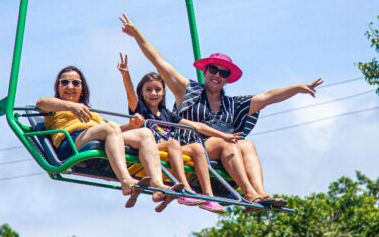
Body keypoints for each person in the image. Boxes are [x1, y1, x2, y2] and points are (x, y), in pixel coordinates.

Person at [119, 13, 323, 207]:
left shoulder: (232, 104)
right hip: (190, 147)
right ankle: (248, 194)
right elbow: (159, 61)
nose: (217, 75)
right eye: (213, 70)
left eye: (223, 73)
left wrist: (297, 89)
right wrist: (137, 35)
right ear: (205, 71)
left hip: (220, 151)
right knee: (226, 143)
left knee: (246, 144)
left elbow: (268, 97)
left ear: (227, 78)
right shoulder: (188, 91)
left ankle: (260, 192)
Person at [36, 65, 184, 212]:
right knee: (110, 128)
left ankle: (157, 186)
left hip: (95, 135)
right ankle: (126, 181)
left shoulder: (89, 111)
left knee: (145, 133)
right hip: (70, 144)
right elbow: (41, 103)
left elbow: (114, 134)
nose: (70, 86)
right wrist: (71, 106)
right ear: (58, 86)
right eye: (65, 82)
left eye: (76, 83)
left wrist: (131, 126)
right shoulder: (55, 107)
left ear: (82, 88)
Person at [117, 53, 243, 214]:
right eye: (148, 90)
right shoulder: (140, 109)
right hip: (149, 150)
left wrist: (223, 136)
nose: (153, 93)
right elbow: (130, 95)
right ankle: (186, 191)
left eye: (157, 90)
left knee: (197, 147)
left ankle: (209, 197)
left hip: (169, 150)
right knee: (173, 143)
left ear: (163, 93)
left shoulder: (167, 114)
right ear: (141, 93)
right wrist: (126, 74)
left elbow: (197, 126)